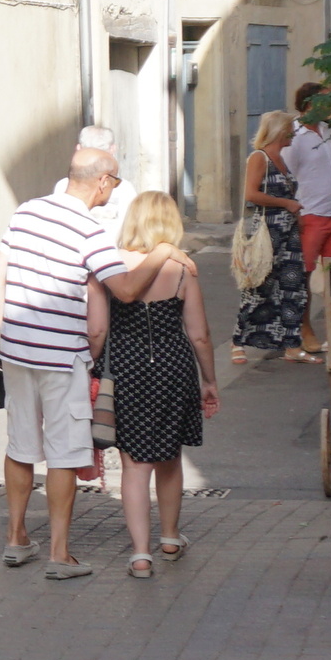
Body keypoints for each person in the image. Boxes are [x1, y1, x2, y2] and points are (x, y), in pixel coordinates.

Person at [0, 135, 128, 579]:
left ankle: (16, 539)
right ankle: (58, 553)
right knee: (65, 454)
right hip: (63, 356)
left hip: (16, 349)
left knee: (20, 445)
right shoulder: (92, 231)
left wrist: (5, 324)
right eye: (115, 183)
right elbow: (121, 292)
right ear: (103, 182)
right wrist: (164, 256)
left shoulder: (27, 210)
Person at [89, 190, 217, 577]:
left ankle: (140, 554)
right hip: (173, 368)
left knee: (134, 465)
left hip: (126, 370)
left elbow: (97, 329)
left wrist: (90, 367)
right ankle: (170, 537)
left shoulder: (108, 268)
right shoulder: (182, 269)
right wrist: (209, 380)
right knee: (170, 458)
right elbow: (199, 335)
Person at [233, 108, 313, 366]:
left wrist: (295, 213)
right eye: (290, 128)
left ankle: (291, 344)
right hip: (268, 233)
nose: (294, 133)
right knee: (259, 286)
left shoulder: (281, 158)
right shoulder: (260, 157)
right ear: (280, 131)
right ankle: (238, 342)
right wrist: (286, 204)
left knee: (293, 289)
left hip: (288, 233)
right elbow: (251, 194)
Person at [288, 88, 331, 267]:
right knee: (303, 272)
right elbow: (286, 176)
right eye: (325, 100)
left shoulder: (328, 130)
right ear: (310, 104)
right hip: (311, 212)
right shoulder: (293, 135)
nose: (330, 104)